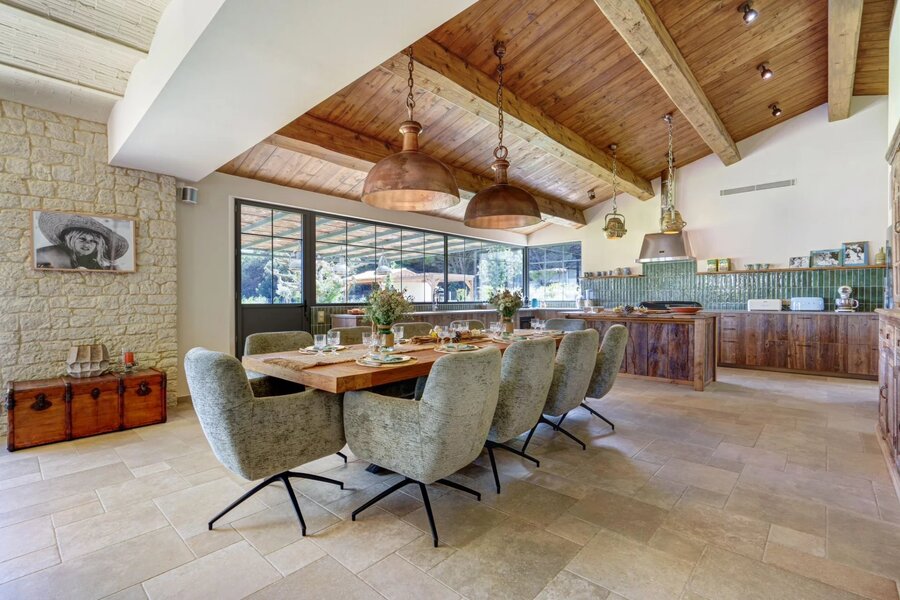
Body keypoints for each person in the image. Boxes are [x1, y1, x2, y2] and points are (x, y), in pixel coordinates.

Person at [34, 212, 129, 271]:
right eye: (82, 239)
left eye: (94, 241)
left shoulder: (91, 262)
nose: (88, 244)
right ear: (70, 239)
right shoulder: (56, 253)